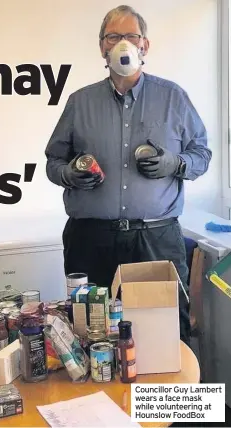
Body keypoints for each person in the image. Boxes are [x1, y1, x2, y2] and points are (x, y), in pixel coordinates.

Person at [45, 4, 212, 345]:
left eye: (131, 36)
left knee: (164, 336)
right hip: (91, 240)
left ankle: (164, 399)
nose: (123, 43)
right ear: (102, 47)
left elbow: (202, 155)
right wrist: (69, 175)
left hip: (155, 240)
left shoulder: (173, 98)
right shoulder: (80, 102)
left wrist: (175, 164)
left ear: (144, 46)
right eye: (114, 36)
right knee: (91, 335)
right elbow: (53, 162)